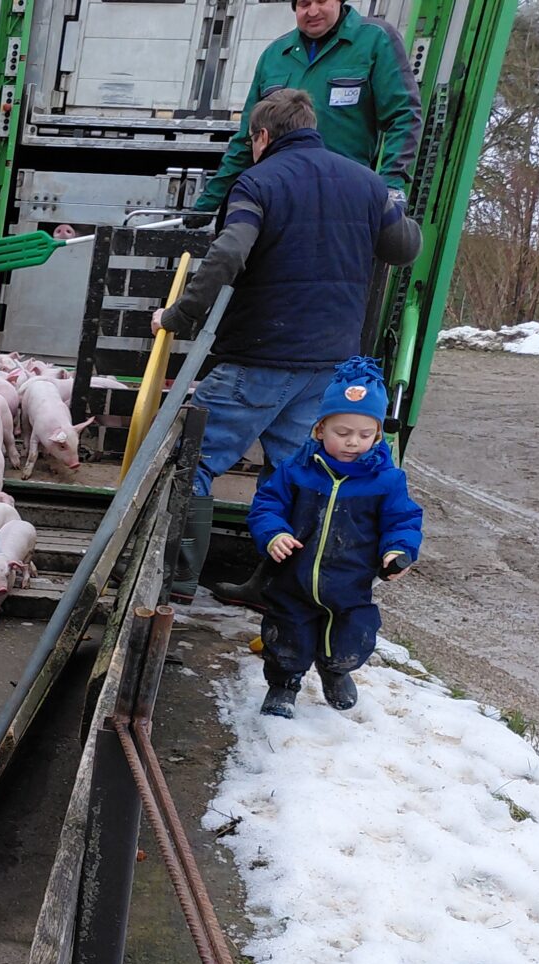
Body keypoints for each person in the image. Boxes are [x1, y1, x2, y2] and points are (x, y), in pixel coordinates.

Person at [152, 88, 420, 600]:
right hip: (329, 369)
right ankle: (275, 586)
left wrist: (179, 316)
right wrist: (393, 203)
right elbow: (403, 249)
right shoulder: (366, 183)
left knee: (192, 459)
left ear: (262, 136)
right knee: (299, 474)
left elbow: (229, 251)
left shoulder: (258, 181)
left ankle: (176, 579)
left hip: (258, 358)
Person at [242, 356, 422, 719]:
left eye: (365, 434)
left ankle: (336, 670)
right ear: (320, 429)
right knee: (286, 636)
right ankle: (283, 685)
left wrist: (398, 550)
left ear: (377, 433)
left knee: (351, 638)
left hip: (351, 582)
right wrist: (274, 533)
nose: (354, 442)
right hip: (294, 578)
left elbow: (402, 520)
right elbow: (267, 505)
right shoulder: (297, 471)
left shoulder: (386, 481)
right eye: (343, 432)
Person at [192, 0, 421, 214]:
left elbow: (403, 116)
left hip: (342, 200)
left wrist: (391, 185)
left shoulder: (375, 40)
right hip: (278, 200)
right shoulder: (275, 56)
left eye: (321, 1)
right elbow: (247, 137)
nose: (312, 11)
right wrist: (209, 202)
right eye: (304, 4)